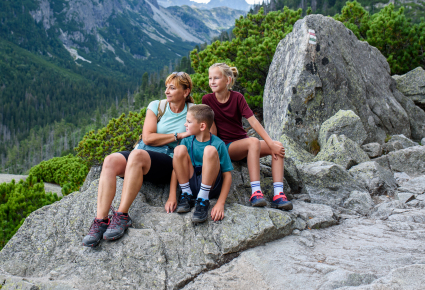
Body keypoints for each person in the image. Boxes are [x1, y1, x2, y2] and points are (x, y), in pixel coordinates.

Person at [82, 72, 194, 247]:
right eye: (166, 87)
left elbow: (205, 133)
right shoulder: (157, 106)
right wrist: (178, 135)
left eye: (172, 88)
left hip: (167, 161)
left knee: (136, 155)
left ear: (186, 92)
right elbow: (148, 138)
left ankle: (121, 215)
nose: (167, 91)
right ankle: (101, 220)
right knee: (110, 160)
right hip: (143, 153)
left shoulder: (192, 111)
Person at [201, 63, 292, 210]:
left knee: (278, 146)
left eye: (216, 78)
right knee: (253, 142)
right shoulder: (207, 100)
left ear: (228, 80)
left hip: (247, 145)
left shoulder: (237, 97)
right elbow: (211, 129)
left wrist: (271, 144)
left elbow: (253, 122)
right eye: (210, 78)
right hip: (228, 147)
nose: (212, 81)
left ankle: (278, 194)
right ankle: (256, 192)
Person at [172, 104, 233, 223]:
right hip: (190, 183)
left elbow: (227, 175)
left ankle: (202, 200)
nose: (185, 124)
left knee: (209, 150)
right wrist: (172, 196)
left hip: (210, 187)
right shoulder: (186, 141)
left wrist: (220, 203)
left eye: (189, 122)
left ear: (202, 126)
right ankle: (186, 195)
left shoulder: (218, 144)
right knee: (178, 150)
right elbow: (176, 169)